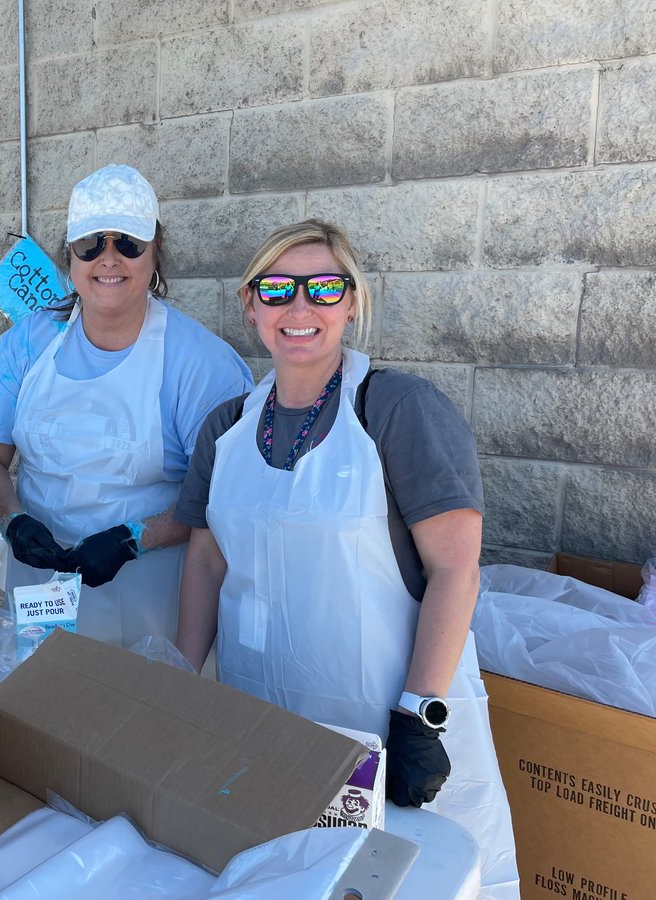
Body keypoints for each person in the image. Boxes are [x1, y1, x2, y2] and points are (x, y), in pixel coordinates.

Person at [174, 220, 519, 898]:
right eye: (276, 289)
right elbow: (208, 560)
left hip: (392, 738)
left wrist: (422, 713)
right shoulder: (226, 428)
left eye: (324, 287)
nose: (298, 308)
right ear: (250, 305)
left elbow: (456, 569)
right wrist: (180, 685)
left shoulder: (397, 410)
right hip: (273, 732)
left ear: (351, 302)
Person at [0, 164, 253, 648]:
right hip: (39, 596)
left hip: (153, 606)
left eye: (128, 243)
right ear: (71, 254)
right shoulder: (28, 342)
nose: (108, 259)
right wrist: (12, 519)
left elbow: (223, 497)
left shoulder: (199, 363)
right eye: (91, 243)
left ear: (155, 251)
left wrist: (133, 537)